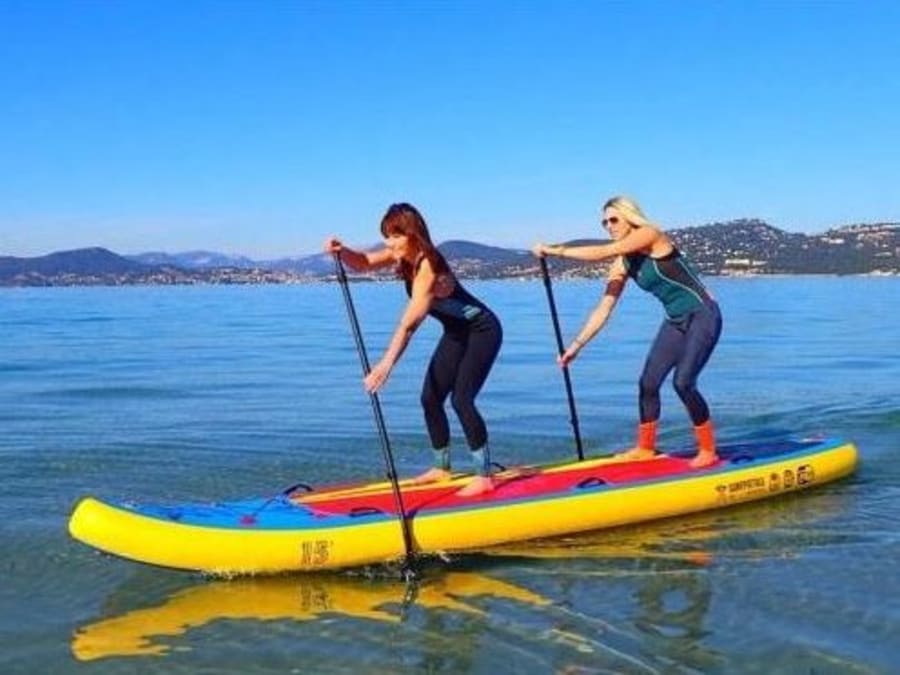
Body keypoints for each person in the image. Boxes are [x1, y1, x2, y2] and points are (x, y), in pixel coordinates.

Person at [324, 203, 503, 496]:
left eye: (396, 235)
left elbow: (408, 325)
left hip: (483, 331)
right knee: (430, 398)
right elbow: (364, 262)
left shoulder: (429, 266)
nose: (389, 242)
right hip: (457, 332)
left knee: (461, 400)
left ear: (413, 234)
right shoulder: (403, 256)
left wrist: (384, 366)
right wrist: (341, 251)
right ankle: (442, 467)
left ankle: (484, 476)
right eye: (387, 235)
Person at [532, 195, 722, 468]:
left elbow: (602, 251)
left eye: (613, 219)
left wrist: (554, 250)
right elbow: (604, 308)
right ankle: (645, 448)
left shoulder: (650, 234)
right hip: (675, 321)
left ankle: (708, 450)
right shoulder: (623, 263)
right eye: (604, 222)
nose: (608, 226)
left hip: (703, 315)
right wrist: (575, 346)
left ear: (629, 217)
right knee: (648, 383)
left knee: (683, 383)